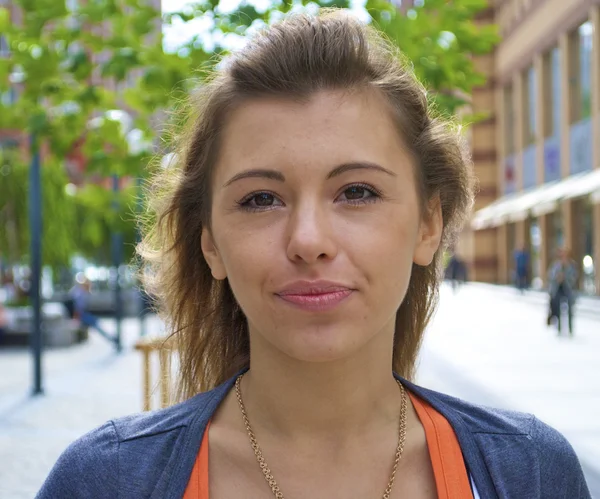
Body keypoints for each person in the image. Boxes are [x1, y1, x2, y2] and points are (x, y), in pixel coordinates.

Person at [38, 11, 590, 499]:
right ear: (211, 244)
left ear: (429, 223)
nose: (308, 240)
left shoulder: (528, 474)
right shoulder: (105, 481)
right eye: (260, 199)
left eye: (356, 192)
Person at [69, 277, 115, 344]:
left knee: (97, 324)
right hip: (81, 315)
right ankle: (111, 338)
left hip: (81, 315)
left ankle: (110, 338)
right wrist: (76, 317)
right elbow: (78, 308)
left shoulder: (78, 292)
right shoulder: (80, 293)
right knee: (97, 325)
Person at [547, 248, 578, 336]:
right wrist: (557, 277)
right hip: (558, 289)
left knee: (570, 310)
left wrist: (565, 278)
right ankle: (559, 329)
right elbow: (550, 275)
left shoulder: (572, 265)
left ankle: (570, 329)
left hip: (568, 289)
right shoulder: (556, 265)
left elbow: (574, 277)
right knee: (559, 309)